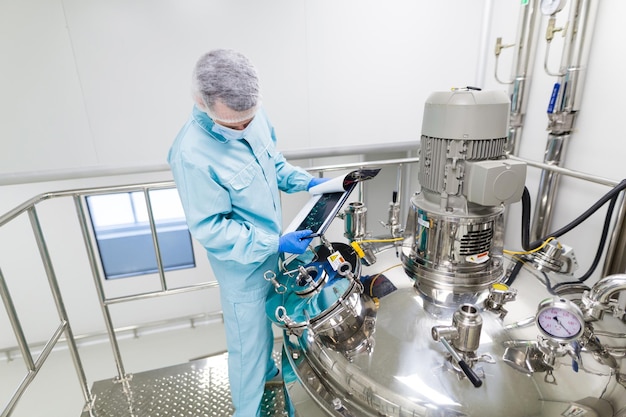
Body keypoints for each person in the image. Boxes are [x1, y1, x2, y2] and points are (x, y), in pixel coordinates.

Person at [167, 49, 326, 417]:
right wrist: (274, 241)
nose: (242, 129)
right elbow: (212, 229)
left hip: (275, 255)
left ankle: (270, 371)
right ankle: (247, 409)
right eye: (232, 124)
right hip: (242, 271)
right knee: (248, 348)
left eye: (247, 120)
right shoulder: (191, 154)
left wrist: (312, 184)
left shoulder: (253, 116)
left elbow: (274, 164)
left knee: (275, 327)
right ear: (201, 102)